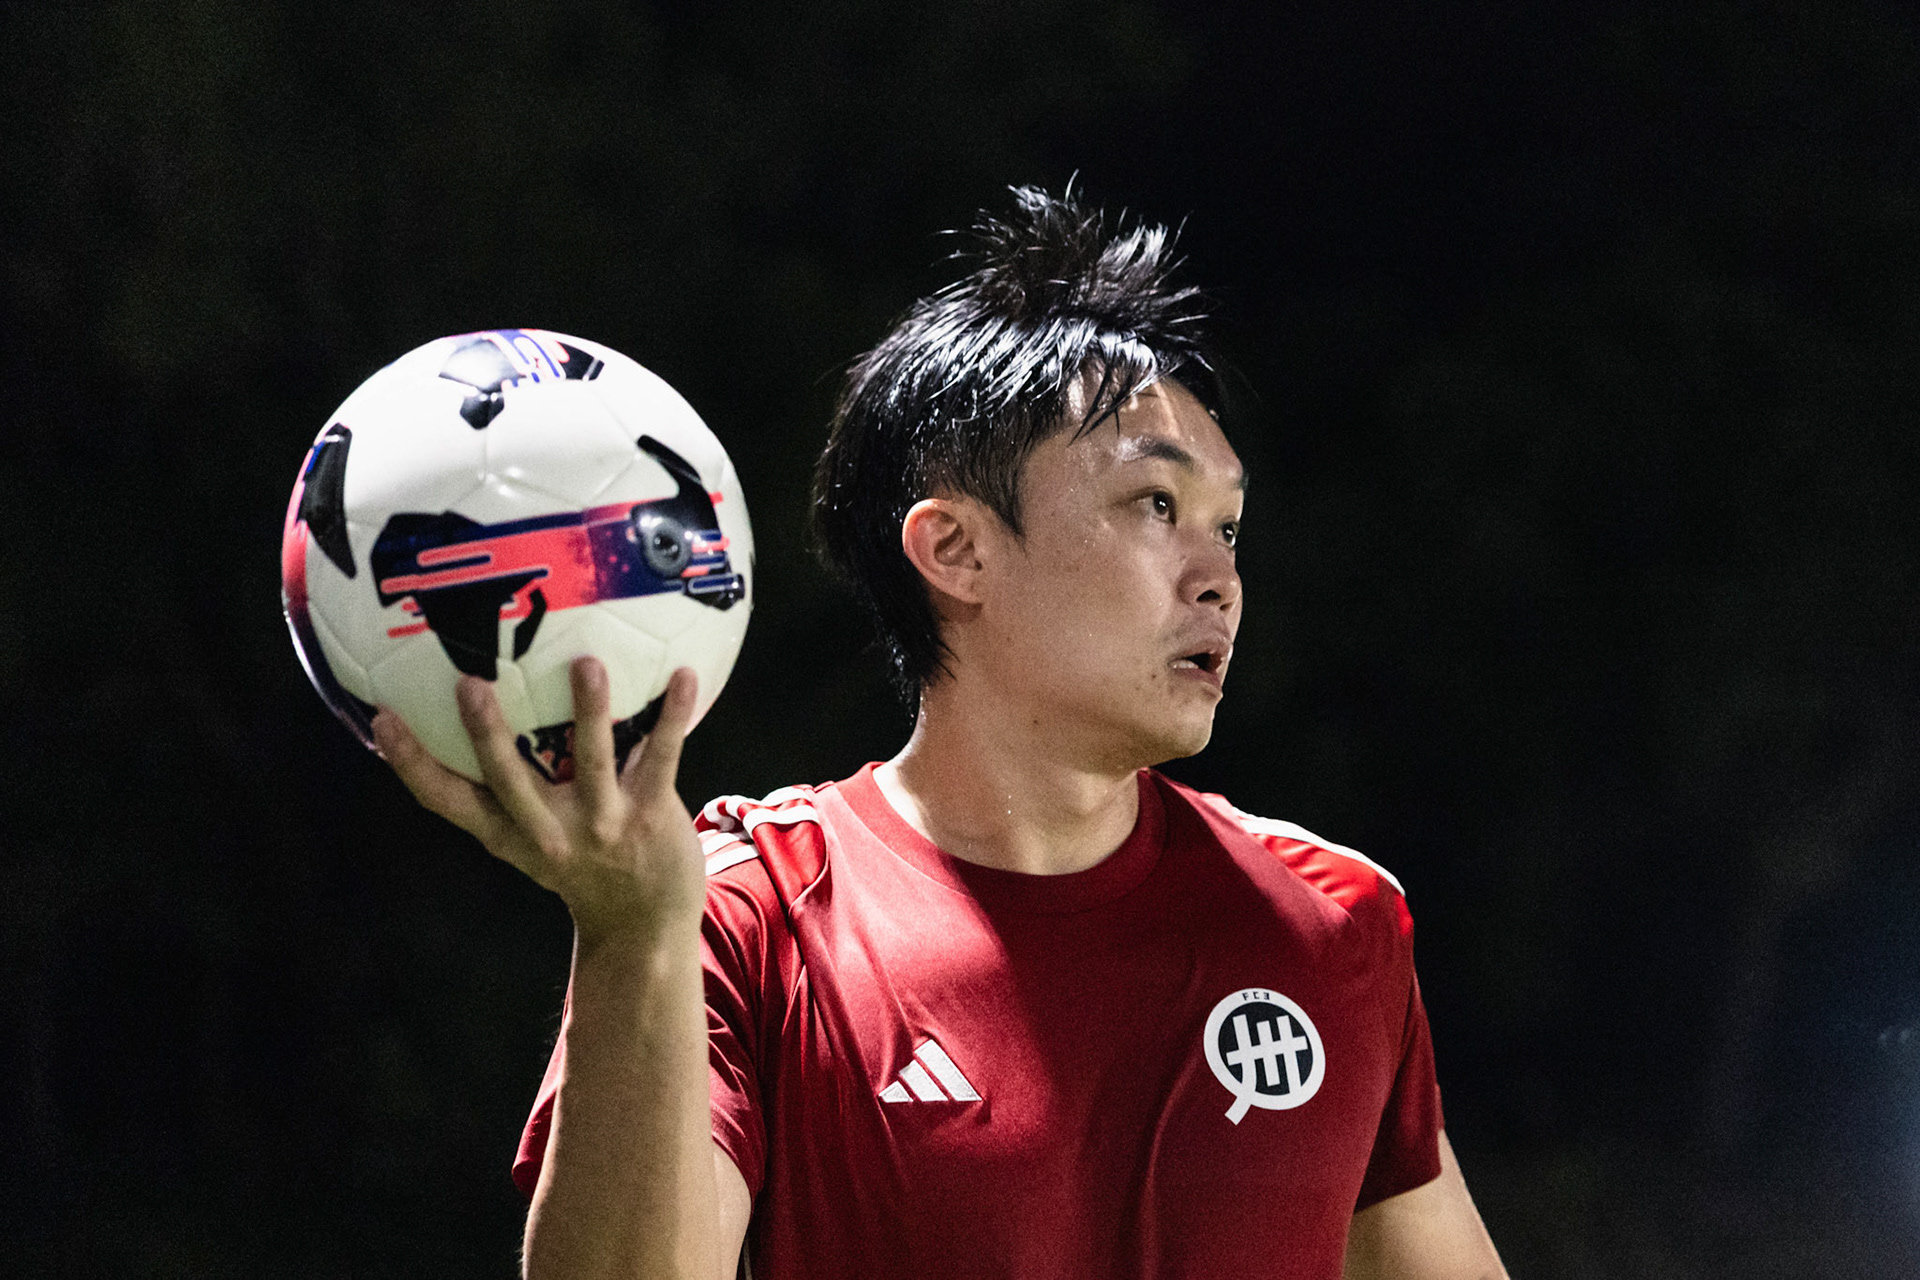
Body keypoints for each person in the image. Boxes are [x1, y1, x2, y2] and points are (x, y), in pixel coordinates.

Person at [373, 187, 1509, 1280]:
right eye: (1154, 505)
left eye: (1228, 525)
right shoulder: (747, 915)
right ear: (955, 550)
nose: (1219, 578)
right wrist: (632, 939)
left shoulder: (1331, 921)